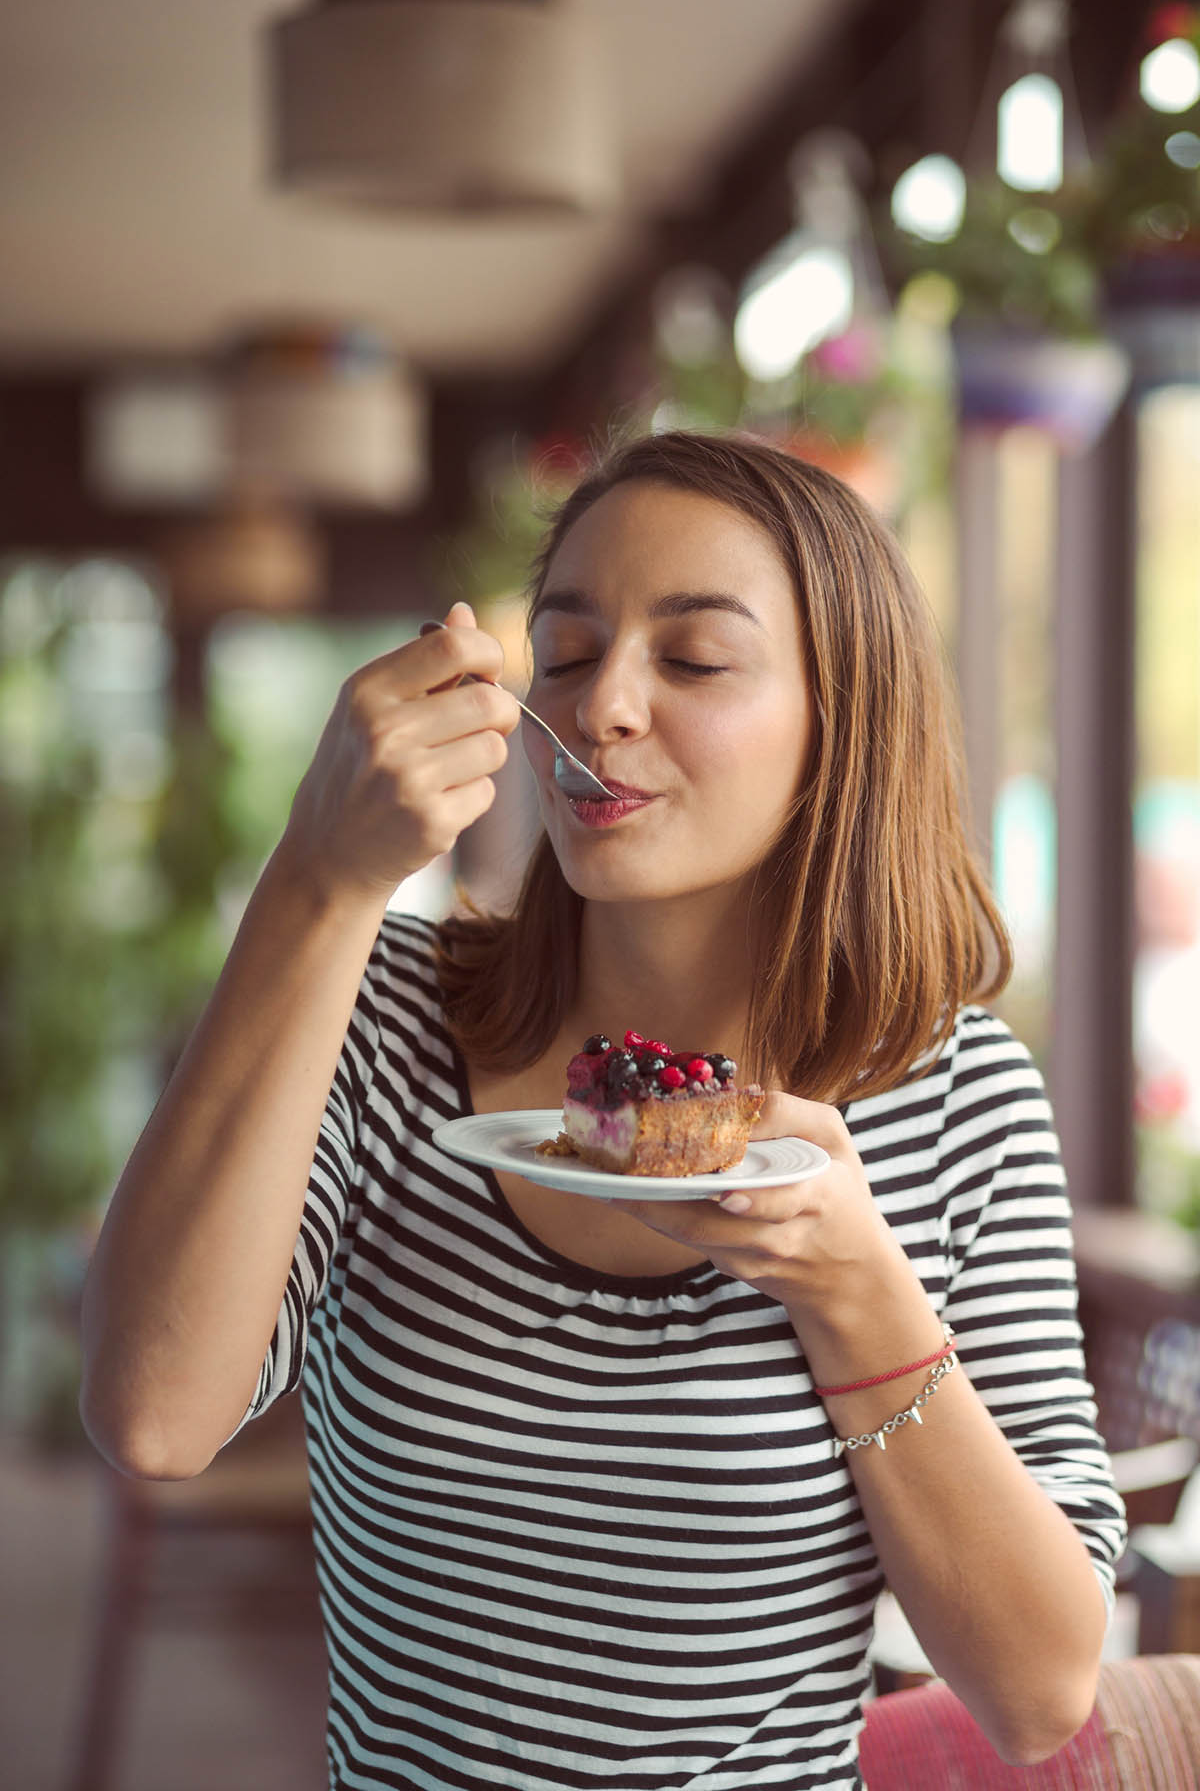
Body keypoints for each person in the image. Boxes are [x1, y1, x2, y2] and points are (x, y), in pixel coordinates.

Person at [80, 430, 1127, 1791]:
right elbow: (156, 1416)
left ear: (842, 723)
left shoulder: (954, 1096)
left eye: (691, 660)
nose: (599, 707)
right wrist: (320, 880)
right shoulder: (386, 1013)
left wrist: (860, 1296)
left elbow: (1045, 1693)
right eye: (565, 656)